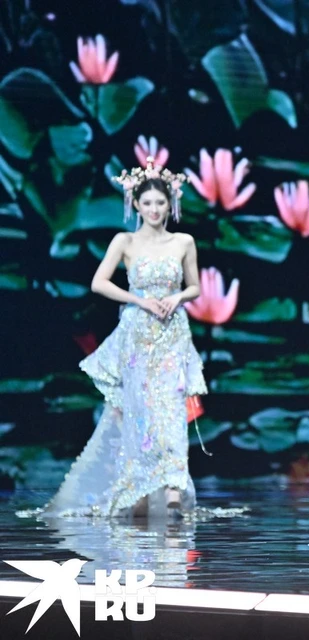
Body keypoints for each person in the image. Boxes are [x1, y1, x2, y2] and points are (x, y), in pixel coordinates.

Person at [43, 157, 207, 519]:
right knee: (139, 411)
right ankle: (139, 488)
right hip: (137, 332)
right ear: (136, 204)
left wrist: (178, 297)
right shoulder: (125, 240)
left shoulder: (183, 242)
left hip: (172, 332)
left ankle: (173, 489)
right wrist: (139, 300)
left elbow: (195, 286)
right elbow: (98, 282)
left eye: (160, 202)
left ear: (170, 204)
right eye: (147, 203)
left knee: (171, 407)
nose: (154, 209)